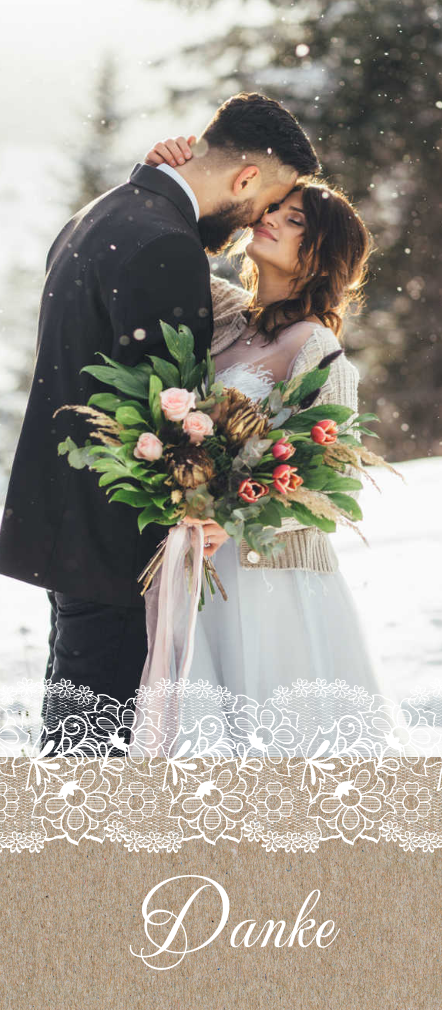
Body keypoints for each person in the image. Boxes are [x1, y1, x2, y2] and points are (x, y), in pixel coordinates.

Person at [0, 94, 318, 749]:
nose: (259, 219)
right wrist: (195, 501)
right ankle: (76, 852)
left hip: (65, 518)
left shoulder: (104, 213)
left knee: (77, 727)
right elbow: (161, 408)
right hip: (116, 536)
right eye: (267, 202)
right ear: (246, 180)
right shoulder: (163, 245)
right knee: (99, 751)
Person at [139, 136, 384, 718]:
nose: (268, 217)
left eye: (292, 218)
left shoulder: (318, 351)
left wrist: (231, 517)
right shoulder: (226, 316)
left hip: (273, 585)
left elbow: (331, 482)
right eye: (274, 207)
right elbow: (169, 249)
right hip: (199, 567)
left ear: (320, 252)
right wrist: (158, 172)